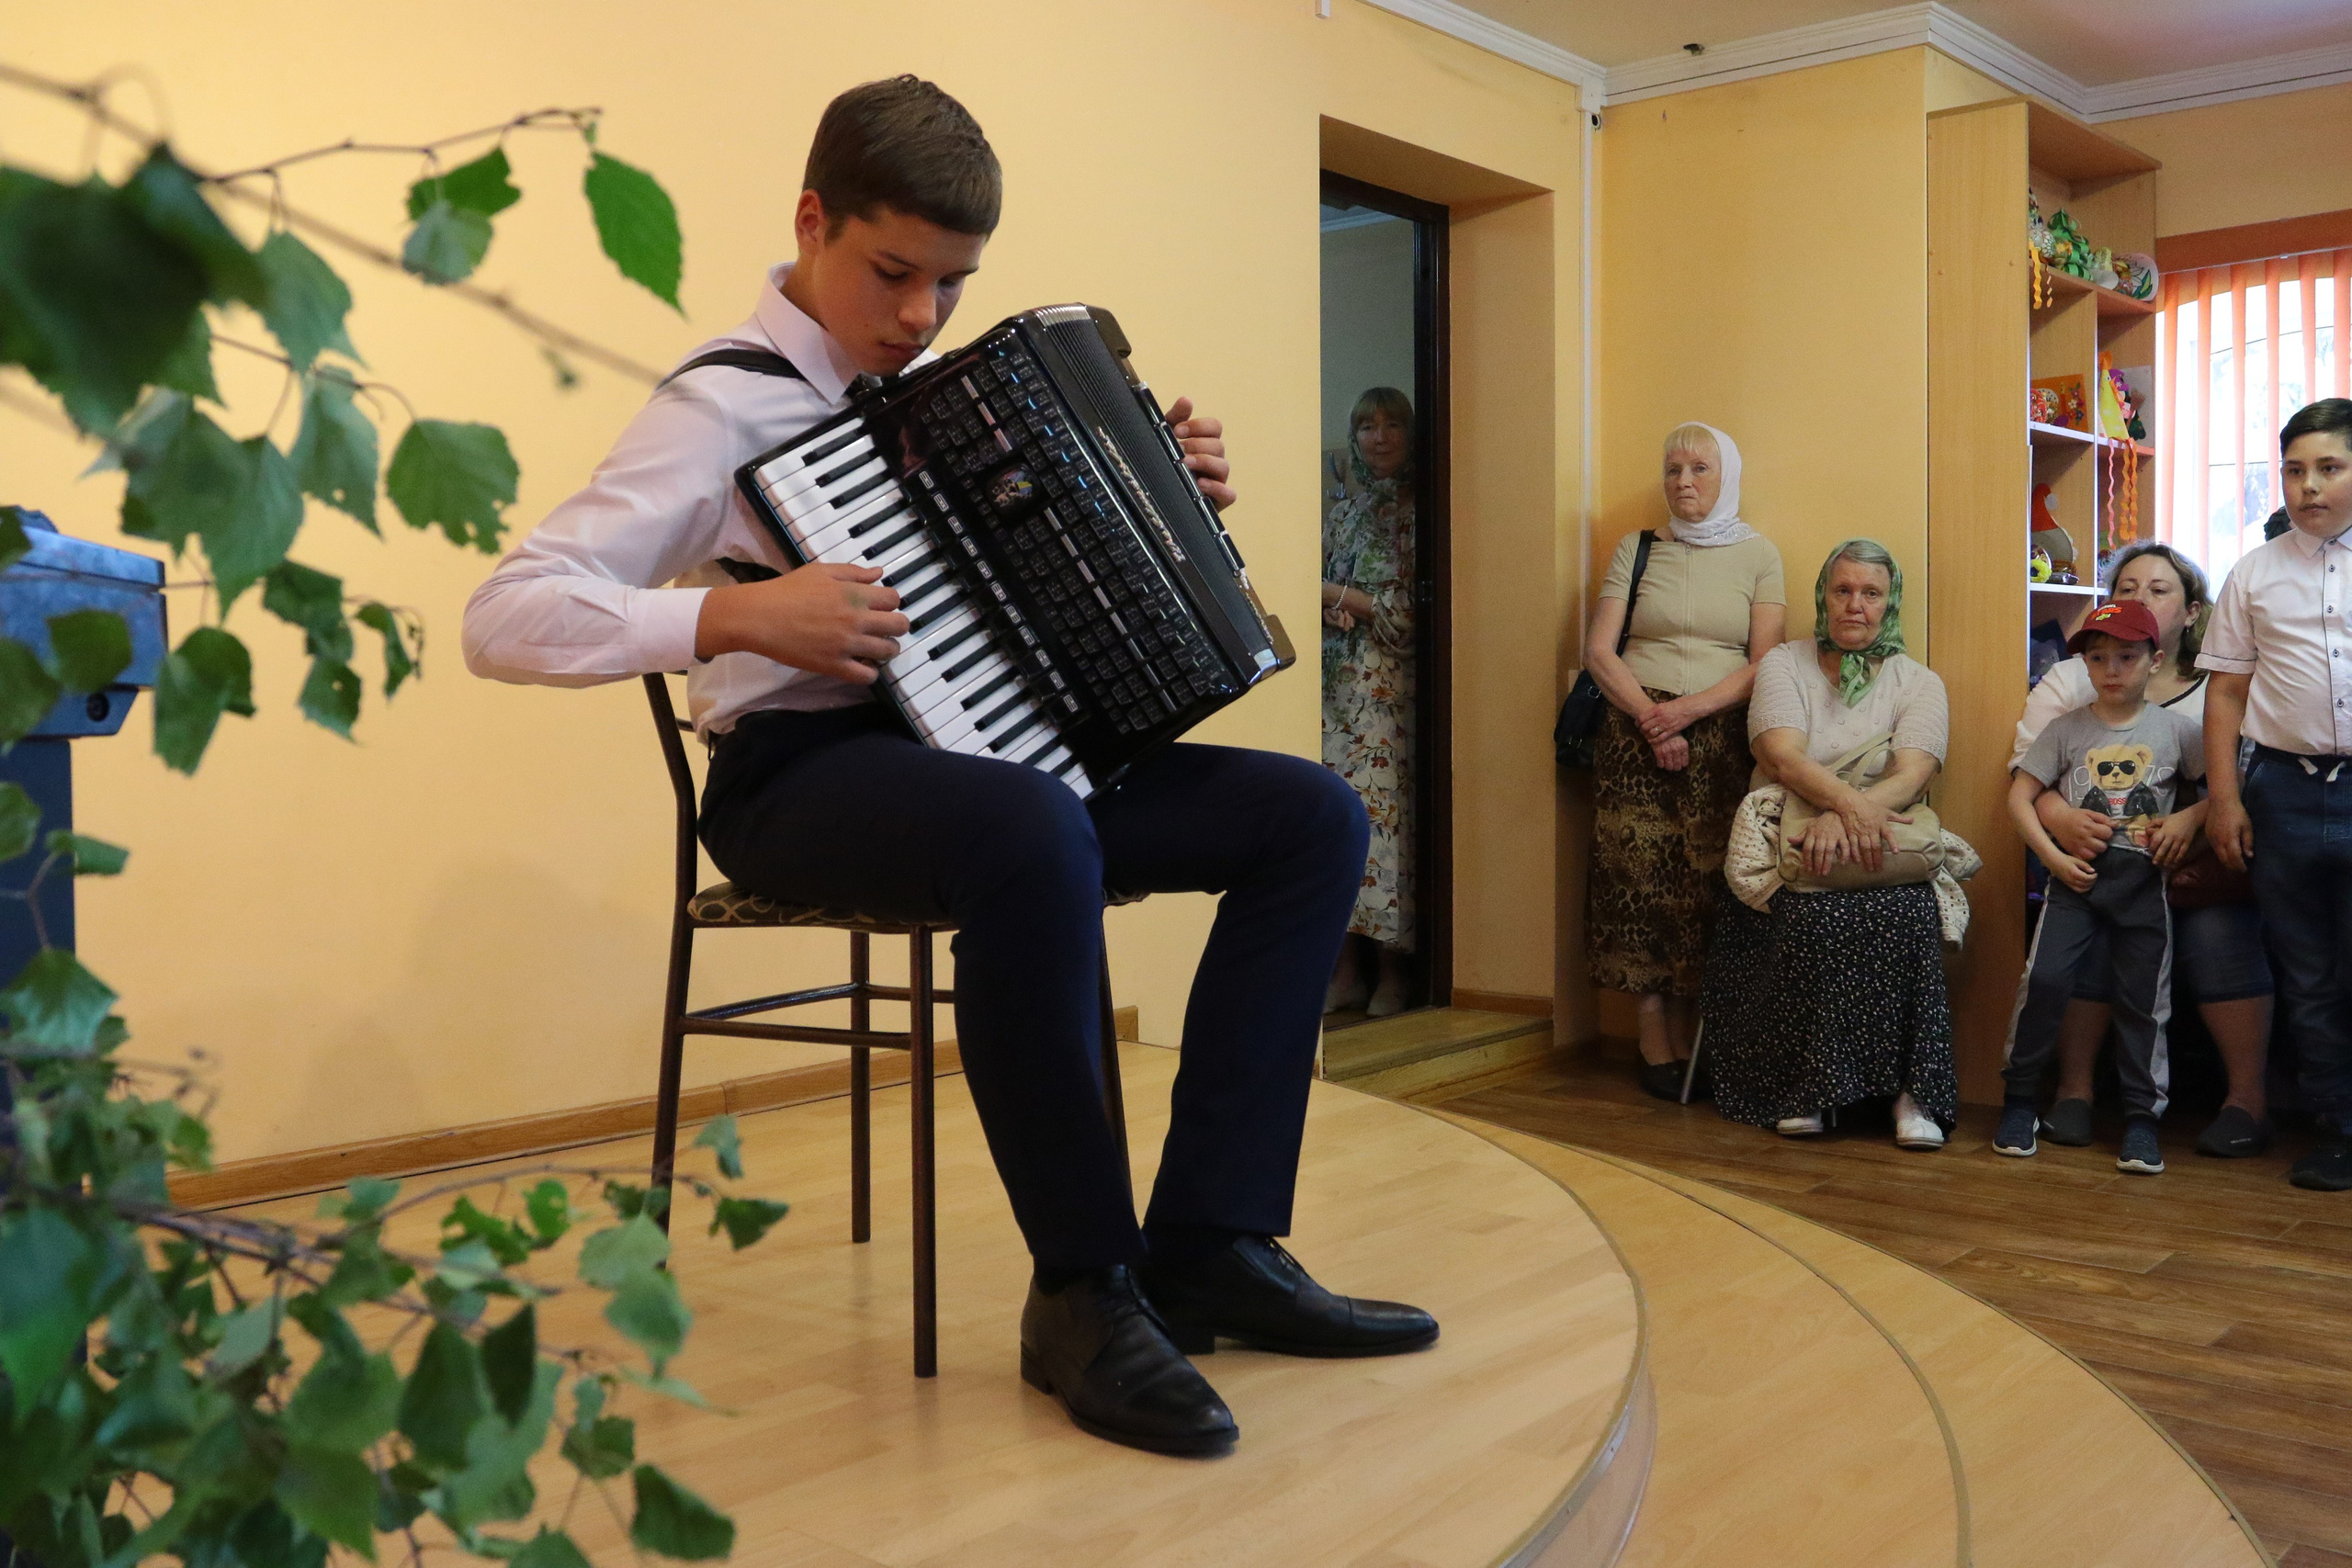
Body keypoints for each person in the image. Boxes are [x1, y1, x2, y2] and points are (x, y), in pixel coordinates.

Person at [462, 75, 1435, 1456]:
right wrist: (735, 617)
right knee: (1031, 832)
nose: (922, 314)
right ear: (812, 221)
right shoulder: (718, 408)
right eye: (893, 272)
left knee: (1311, 815)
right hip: (798, 776)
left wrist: (1163, 489)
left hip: (1000, 754)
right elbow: (504, 616)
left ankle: (1212, 1243)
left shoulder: (954, 397)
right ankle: (1081, 1290)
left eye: (953, 283)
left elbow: (1042, 597)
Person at [2007, 541, 2273, 1158]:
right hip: (2094, 861)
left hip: (2197, 867)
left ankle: (2243, 1100)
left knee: (2213, 938)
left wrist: (2192, 822)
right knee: (2082, 940)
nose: (2140, 599)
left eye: (2158, 589)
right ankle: (2072, 1091)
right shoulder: (2073, 682)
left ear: (2191, 610)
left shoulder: (2220, 682)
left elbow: (2238, 778)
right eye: (2126, 588)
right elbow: (2026, 776)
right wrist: (2062, 823)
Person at [1701, 539, 1955, 1147]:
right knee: (1812, 913)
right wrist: (1844, 806)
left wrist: (1844, 819)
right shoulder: (1783, 664)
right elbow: (1783, 758)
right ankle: (1805, 1089)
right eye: (1842, 590)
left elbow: (1914, 773)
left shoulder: (1919, 681)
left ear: (1890, 601)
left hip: (1882, 838)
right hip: (1786, 835)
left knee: (1911, 910)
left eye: (1871, 593)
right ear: (1823, 596)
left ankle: (1912, 1095)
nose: (1855, 605)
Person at [1583, 423, 1785, 1098]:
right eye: (1672, 469)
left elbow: (1765, 663)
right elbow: (1599, 651)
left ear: (1727, 476)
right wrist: (1653, 717)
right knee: (1637, 881)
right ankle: (1651, 1034)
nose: (1683, 481)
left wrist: (1689, 712)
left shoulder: (1760, 554)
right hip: (1634, 734)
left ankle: (1701, 1038)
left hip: (1719, 738)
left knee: (1705, 883)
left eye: (1700, 468)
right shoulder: (1637, 548)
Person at [1998, 600, 2206, 1174]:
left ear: (2154, 660)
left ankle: (2142, 1120)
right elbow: (2020, 797)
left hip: (2144, 888)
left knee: (2144, 1003)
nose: (2111, 670)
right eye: (2097, 658)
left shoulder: (2178, 731)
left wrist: (2188, 827)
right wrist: (2053, 858)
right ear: (2084, 664)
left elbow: (2221, 794)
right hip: (2075, 884)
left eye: (2126, 657)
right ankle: (2019, 1102)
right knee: (2044, 981)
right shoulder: (2065, 729)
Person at [2203, 397, 2352, 1191]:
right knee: (2308, 973)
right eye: (2294, 470)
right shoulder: (2254, 573)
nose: (2309, 486)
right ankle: (2337, 1128)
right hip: (2284, 796)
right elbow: (2225, 694)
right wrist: (2225, 800)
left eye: (2329, 467)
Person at [1320, 387, 1418, 1018]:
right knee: (1338, 828)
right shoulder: (1345, 513)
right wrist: (1333, 604)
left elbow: (1407, 617)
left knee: (1385, 835)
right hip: (1336, 696)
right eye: (1366, 427)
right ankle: (1345, 971)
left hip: (1389, 702)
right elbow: (1326, 596)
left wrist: (1339, 597)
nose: (1379, 437)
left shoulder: (1421, 512)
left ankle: (1395, 973)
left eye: (1391, 425)